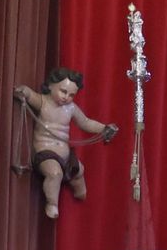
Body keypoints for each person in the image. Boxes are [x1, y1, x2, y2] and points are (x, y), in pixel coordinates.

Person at [14, 67, 117, 219]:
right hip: (45, 151)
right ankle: (52, 203)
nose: (66, 97)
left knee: (79, 170)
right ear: (50, 85)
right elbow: (30, 95)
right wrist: (24, 91)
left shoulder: (71, 109)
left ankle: (80, 193)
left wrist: (103, 128)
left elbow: (86, 123)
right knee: (55, 173)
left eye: (71, 95)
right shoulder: (44, 102)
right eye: (63, 91)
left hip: (65, 153)